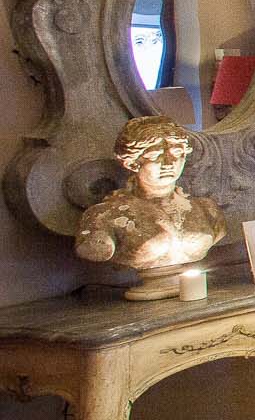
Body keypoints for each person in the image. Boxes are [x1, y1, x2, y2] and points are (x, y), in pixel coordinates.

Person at [75, 115, 227, 298]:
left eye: (177, 153)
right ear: (132, 163)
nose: (169, 163)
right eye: (156, 156)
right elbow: (93, 249)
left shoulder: (207, 209)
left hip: (193, 290)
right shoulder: (105, 216)